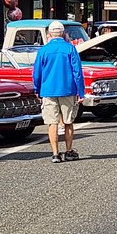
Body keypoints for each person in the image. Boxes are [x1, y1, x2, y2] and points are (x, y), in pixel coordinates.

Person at [32, 20, 85, 163]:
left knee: (52, 123)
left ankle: (55, 153)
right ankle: (68, 151)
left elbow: (37, 73)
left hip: (48, 90)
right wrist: (81, 91)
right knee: (68, 121)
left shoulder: (43, 50)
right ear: (63, 33)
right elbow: (77, 72)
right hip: (68, 89)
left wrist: (37, 88)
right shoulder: (70, 49)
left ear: (49, 34)